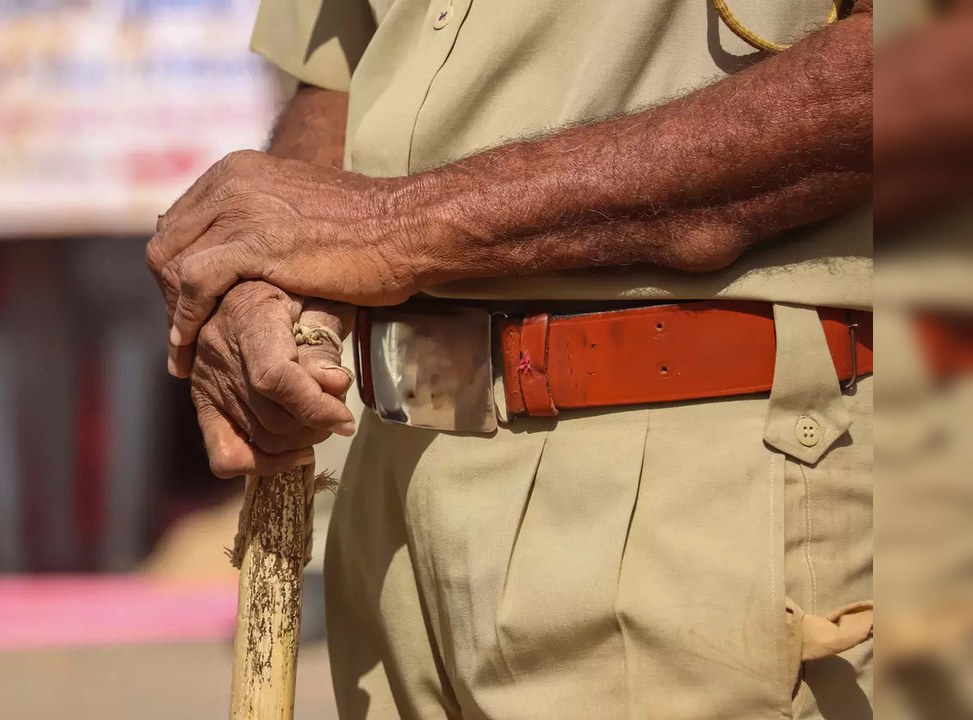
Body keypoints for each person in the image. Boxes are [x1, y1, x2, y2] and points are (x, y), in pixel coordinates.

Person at [147, 1, 875, 717]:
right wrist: (272, 279)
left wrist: (389, 227)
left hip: (699, 475)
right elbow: (340, 68)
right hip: (391, 490)